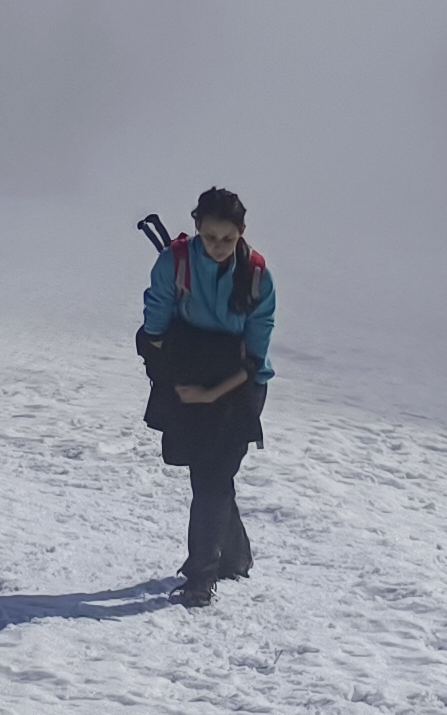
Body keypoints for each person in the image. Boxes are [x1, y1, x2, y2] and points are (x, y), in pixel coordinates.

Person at [135, 184, 275, 605]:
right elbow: (154, 329)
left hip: (238, 387)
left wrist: (210, 394)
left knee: (212, 477)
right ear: (196, 227)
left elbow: (255, 356)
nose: (218, 247)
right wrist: (174, 383)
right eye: (210, 237)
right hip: (190, 376)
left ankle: (201, 576)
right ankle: (236, 557)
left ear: (243, 232)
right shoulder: (173, 263)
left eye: (228, 239)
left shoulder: (257, 276)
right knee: (210, 475)